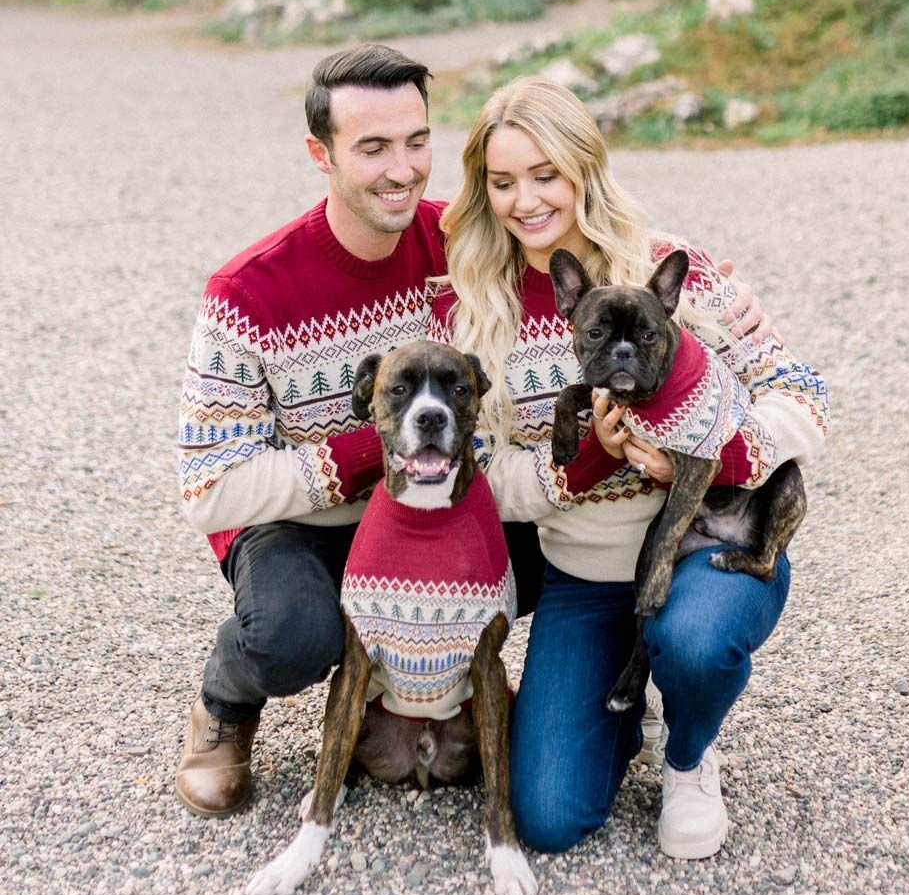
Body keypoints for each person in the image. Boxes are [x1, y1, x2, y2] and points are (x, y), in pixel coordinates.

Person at [174, 44, 767, 819]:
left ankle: (582, 692)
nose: (402, 169)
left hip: (437, 501)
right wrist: (378, 449)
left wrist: (732, 314)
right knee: (293, 629)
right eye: (372, 147)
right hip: (306, 522)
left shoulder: (455, 242)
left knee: (522, 535)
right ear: (320, 153)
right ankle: (225, 704)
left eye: (417, 142)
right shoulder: (248, 290)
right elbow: (208, 488)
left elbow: (578, 245)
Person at [428, 76, 829, 859]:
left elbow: (804, 396)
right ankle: (626, 694)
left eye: (545, 174)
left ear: (584, 168)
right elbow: (480, 473)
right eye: (502, 182)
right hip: (583, 572)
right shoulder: (475, 307)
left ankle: (687, 752)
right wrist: (574, 469)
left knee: (697, 638)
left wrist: (725, 453)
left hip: (702, 545)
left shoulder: (674, 272)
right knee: (546, 814)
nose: (526, 200)